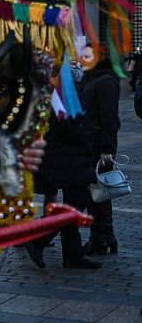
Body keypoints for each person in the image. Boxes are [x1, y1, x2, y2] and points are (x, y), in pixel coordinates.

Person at [25, 55, 103, 269]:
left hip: (71, 153)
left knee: (71, 203)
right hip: (66, 154)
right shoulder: (52, 87)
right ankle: (37, 237)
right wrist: (79, 133)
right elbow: (59, 122)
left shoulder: (64, 83)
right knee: (76, 202)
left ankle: (72, 254)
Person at [80, 47, 121, 256]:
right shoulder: (91, 78)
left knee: (101, 193)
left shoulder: (105, 81)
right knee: (95, 193)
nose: (82, 59)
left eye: (87, 56)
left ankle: (102, 237)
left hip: (98, 146)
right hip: (89, 143)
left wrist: (106, 148)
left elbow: (110, 118)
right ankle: (104, 236)